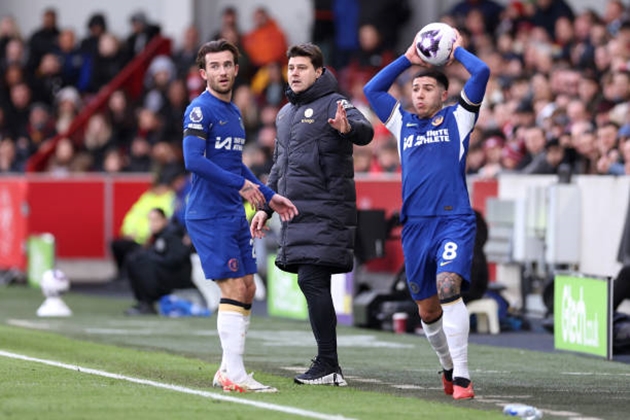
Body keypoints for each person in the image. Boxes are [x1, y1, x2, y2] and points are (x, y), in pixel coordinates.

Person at [363, 29, 490, 400]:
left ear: (443, 93)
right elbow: (373, 91)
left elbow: (481, 74)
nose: (419, 94)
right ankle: (448, 367)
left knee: (449, 288)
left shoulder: (459, 119)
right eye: (415, 89)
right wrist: (408, 58)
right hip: (415, 225)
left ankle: (463, 378)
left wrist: (456, 53)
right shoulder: (402, 124)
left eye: (427, 89)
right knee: (427, 308)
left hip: (454, 220)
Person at [250, 43, 374, 386]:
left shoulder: (335, 103)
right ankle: (328, 364)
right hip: (296, 213)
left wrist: (347, 129)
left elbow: (366, 130)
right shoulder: (285, 114)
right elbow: (279, 166)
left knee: (311, 280)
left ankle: (329, 364)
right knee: (311, 281)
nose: (294, 73)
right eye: (291, 68)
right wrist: (264, 207)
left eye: (302, 67)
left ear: (319, 72)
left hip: (327, 209)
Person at [182, 39, 298, 393]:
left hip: (232, 212)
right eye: (214, 66)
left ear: (236, 69)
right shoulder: (200, 110)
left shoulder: (233, 113)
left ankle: (226, 370)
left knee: (248, 288)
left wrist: (268, 194)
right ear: (204, 73)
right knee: (233, 287)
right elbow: (194, 161)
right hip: (208, 213)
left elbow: (234, 164)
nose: (221, 71)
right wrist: (239, 186)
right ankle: (235, 373)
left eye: (227, 65)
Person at [124, 207, 193, 315]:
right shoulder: (157, 236)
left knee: (145, 264)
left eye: (156, 220)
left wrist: (152, 259)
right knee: (134, 260)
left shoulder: (171, 235)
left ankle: (147, 303)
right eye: (150, 220)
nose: (152, 224)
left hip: (177, 278)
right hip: (165, 275)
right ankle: (143, 302)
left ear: (164, 220)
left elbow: (176, 259)